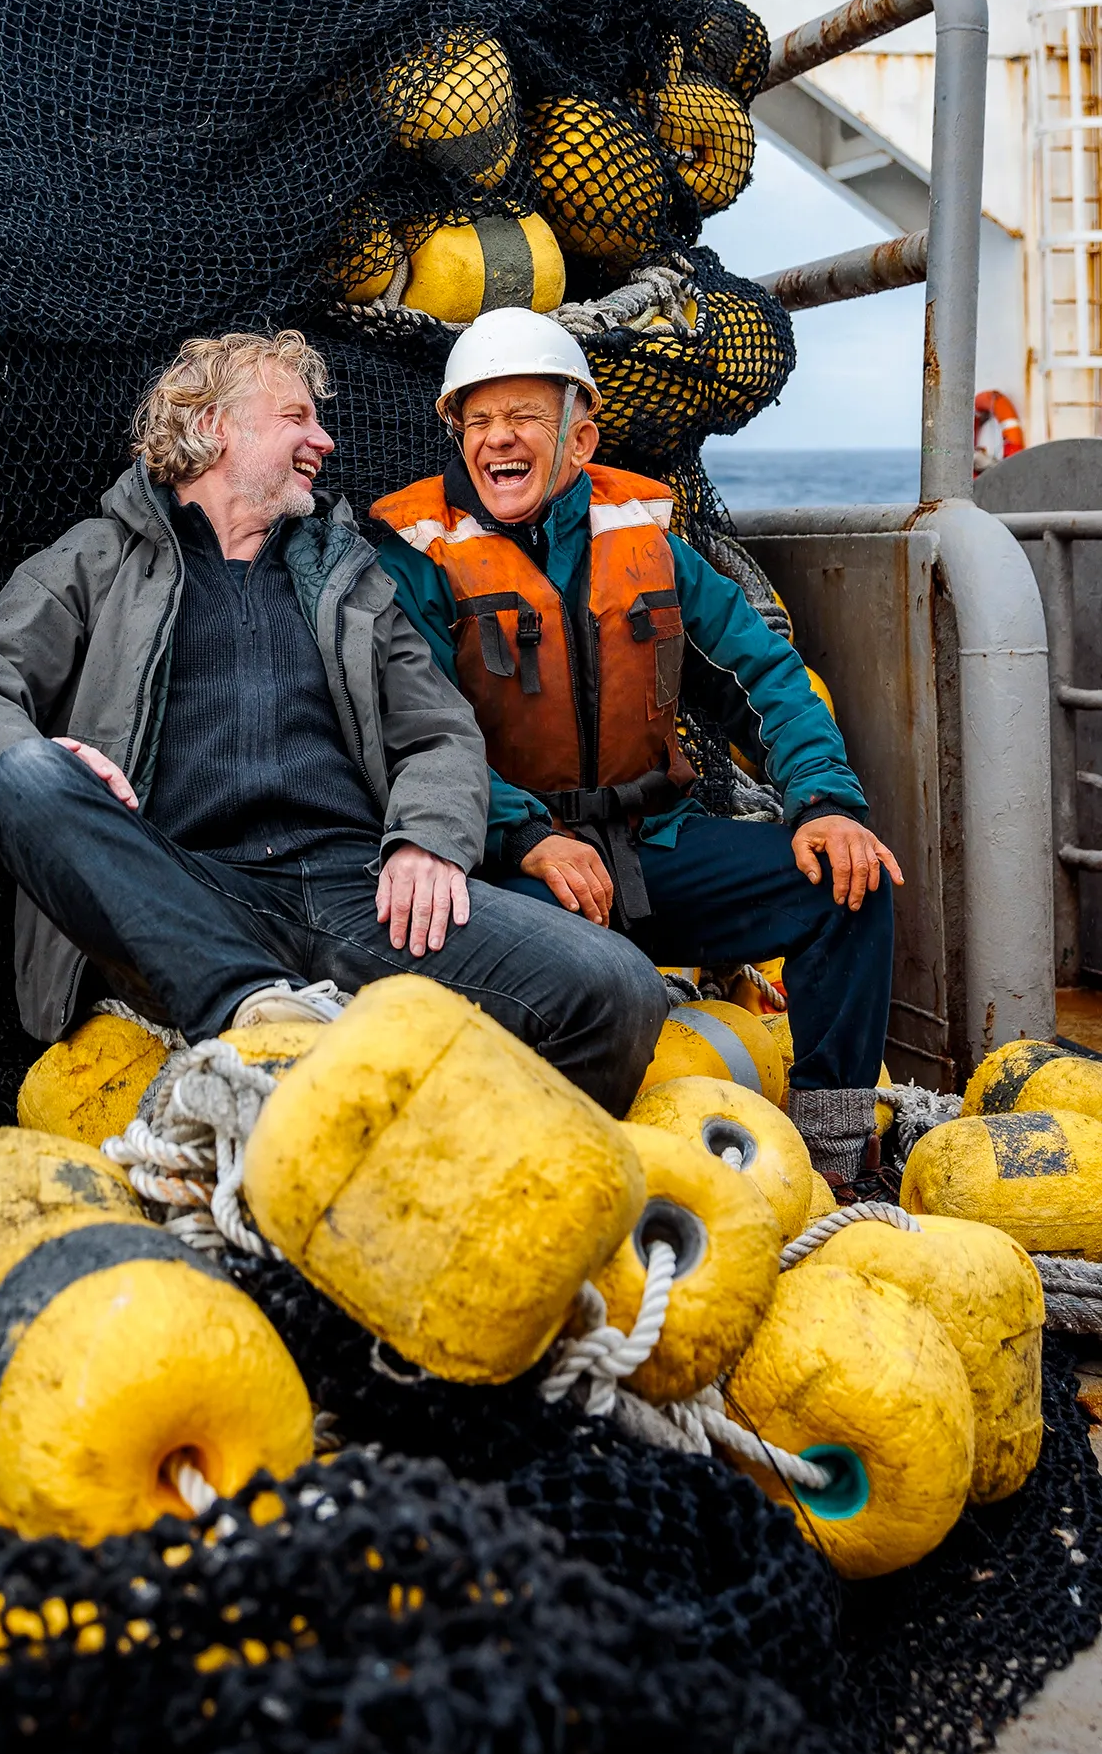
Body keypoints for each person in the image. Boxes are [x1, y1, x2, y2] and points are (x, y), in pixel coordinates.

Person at [0, 329, 667, 1112]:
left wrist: (426, 839)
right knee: (29, 774)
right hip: (179, 888)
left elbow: (440, 732)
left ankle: (442, 1168)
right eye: (296, 417)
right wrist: (52, 752)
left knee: (617, 987)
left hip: (361, 894)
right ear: (213, 427)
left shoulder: (350, 576)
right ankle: (249, 1006)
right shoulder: (97, 559)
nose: (325, 439)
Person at [369, 306, 904, 1183]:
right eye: (478, 421)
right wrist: (525, 835)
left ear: (580, 437)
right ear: (455, 434)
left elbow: (763, 675)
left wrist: (828, 803)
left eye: (523, 419)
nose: (498, 439)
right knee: (580, 981)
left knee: (848, 886)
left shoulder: (645, 541)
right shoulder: (417, 558)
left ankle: (834, 1164)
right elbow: (412, 725)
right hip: (510, 869)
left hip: (655, 847)